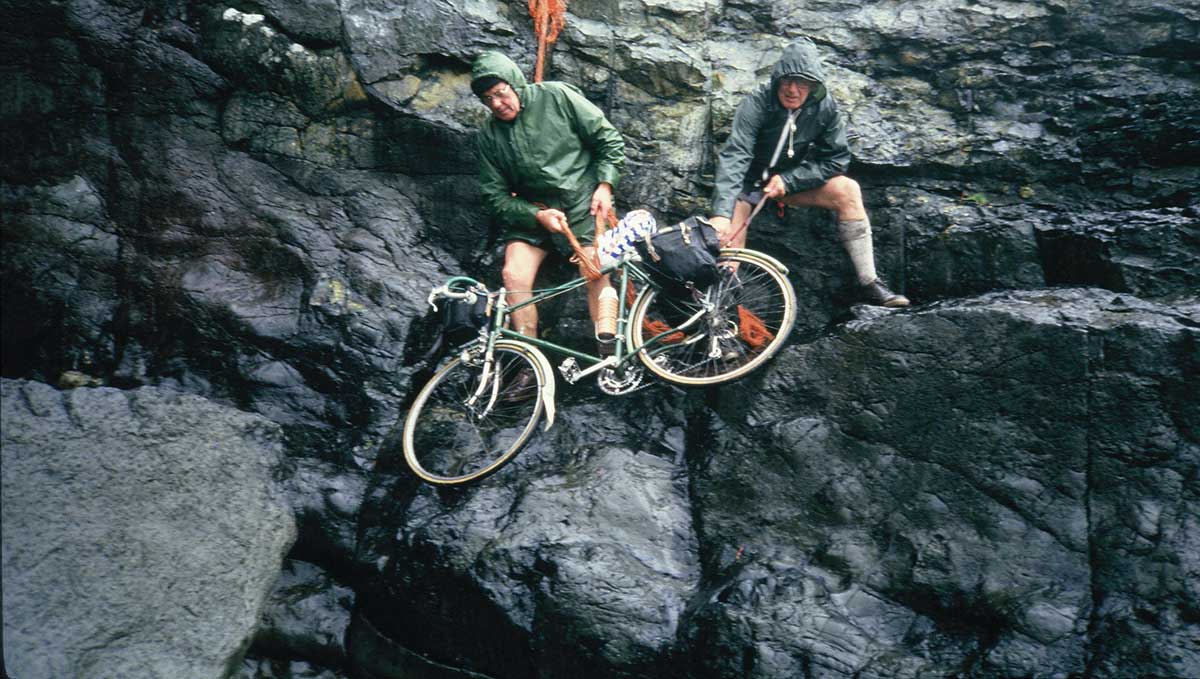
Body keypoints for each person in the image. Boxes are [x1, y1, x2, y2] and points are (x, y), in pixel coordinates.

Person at [708, 39, 909, 307]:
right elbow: (736, 155)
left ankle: (870, 283)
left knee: (848, 190)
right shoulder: (756, 102)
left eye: (802, 82)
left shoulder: (826, 108)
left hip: (787, 185)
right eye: (787, 81)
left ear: (814, 85)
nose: (792, 89)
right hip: (746, 186)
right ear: (777, 79)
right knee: (728, 244)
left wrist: (789, 181)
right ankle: (724, 320)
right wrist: (721, 214)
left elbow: (836, 159)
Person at [470, 51, 627, 353]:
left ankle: (609, 353)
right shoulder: (488, 136)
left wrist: (605, 185)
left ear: (515, 84)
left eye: (501, 93)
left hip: (583, 203)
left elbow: (608, 139)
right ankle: (528, 359)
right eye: (488, 99)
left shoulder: (557, 96)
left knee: (595, 269)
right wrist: (534, 215)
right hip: (534, 214)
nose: (497, 104)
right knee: (512, 274)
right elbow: (494, 197)